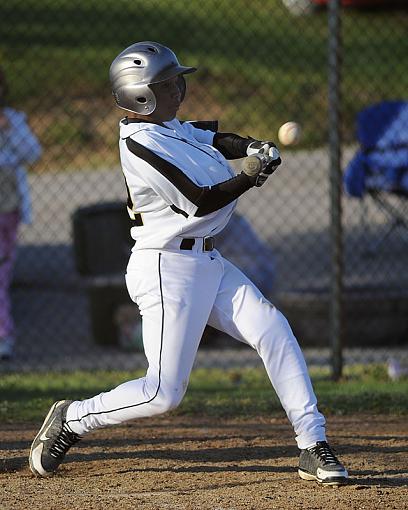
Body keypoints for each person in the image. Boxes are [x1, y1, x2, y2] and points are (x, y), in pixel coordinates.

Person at [29, 41, 348, 485]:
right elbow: (198, 203)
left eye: (177, 80)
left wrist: (251, 146)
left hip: (207, 262)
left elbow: (212, 136)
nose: (179, 87)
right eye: (167, 83)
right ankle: (73, 417)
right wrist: (249, 176)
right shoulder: (141, 146)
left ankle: (312, 444)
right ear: (141, 95)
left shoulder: (168, 127)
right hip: (166, 271)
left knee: (273, 329)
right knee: (162, 393)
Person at [0, 67, 42, 360]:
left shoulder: (12, 120)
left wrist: (8, 130)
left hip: (6, 205)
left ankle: (3, 335)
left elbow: (33, 153)